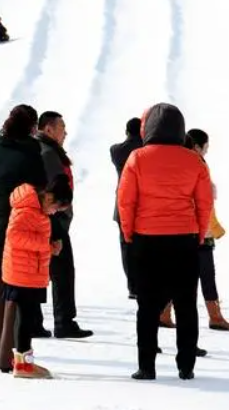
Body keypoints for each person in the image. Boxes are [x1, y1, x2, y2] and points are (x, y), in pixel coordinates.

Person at [117, 103, 213, 381]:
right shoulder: (194, 160)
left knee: (147, 306)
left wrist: (129, 234)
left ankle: (147, 366)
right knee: (186, 304)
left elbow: (126, 201)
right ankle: (186, 366)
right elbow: (204, 202)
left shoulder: (137, 158)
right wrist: (198, 232)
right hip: (184, 239)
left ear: (147, 127)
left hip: (147, 239)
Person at [0, 104, 47, 373]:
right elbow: (41, 186)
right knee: (16, 291)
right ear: (31, 126)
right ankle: (9, 358)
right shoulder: (31, 152)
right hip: (21, 224)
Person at [4, 176, 72, 379]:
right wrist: (46, 246)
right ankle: (23, 365)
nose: (54, 213)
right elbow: (14, 236)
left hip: (30, 271)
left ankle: (23, 361)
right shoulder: (27, 210)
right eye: (56, 209)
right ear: (49, 198)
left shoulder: (36, 210)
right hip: (22, 272)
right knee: (25, 319)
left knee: (28, 318)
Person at [35, 111, 92, 338]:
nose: (65, 132)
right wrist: (58, 220)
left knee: (46, 271)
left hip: (50, 218)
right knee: (62, 272)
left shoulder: (43, 149)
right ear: (48, 129)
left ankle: (39, 321)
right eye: (62, 127)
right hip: (53, 220)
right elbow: (55, 190)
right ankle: (64, 321)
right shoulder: (48, 153)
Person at [183, 129, 229, 331]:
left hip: (183, 229)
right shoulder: (198, 164)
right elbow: (204, 200)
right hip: (200, 228)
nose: (207, 151)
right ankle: (215, 316)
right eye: (206, 147)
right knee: (207, 274)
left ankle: (164, 312)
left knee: (181, 275)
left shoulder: (180, 162)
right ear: (197, 146)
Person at [110, 117, 143, 298]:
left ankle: (132, 287)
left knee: (126, 247)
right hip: (143, 204)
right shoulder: (145, 150)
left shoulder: (116, 151)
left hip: (122, 206)